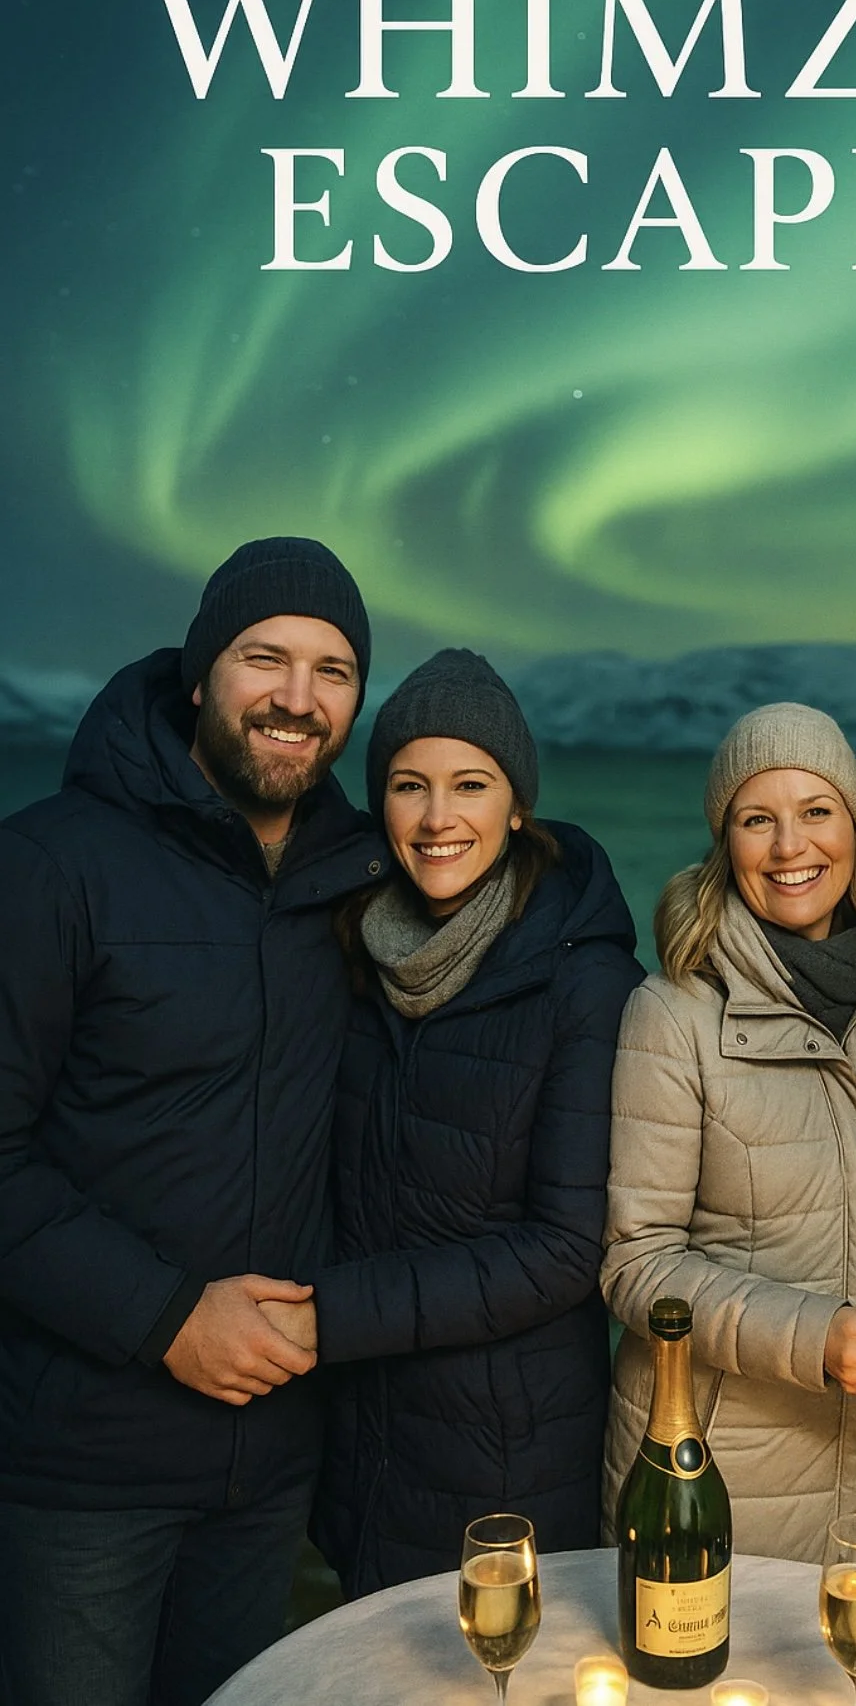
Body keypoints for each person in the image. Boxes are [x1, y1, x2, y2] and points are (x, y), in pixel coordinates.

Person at [0, 537, 381, 1706]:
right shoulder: (52, 863)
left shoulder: (354, 879)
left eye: (333, 670)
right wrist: (164, 1315)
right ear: (201, 669)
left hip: (269, 1466)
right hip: (84, 1466)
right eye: (265, 658)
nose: (298, 698)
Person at [293, 649, 644, 1596]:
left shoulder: (584, 981)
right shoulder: (353, 956)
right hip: (365, 1445)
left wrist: (330, 1315)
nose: (438, 816)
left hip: (507, 1454)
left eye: (471, 784)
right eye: (410, 785)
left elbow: (566, 1249)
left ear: (518, 805)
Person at [601, 703, 856, 1562]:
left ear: (855, 828)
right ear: (725, 841)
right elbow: (635, 1264)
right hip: (714, 1469)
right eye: (756, 819)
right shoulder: (673, 1011)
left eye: (816, 810)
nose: (789, 846)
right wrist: (818, 1336)